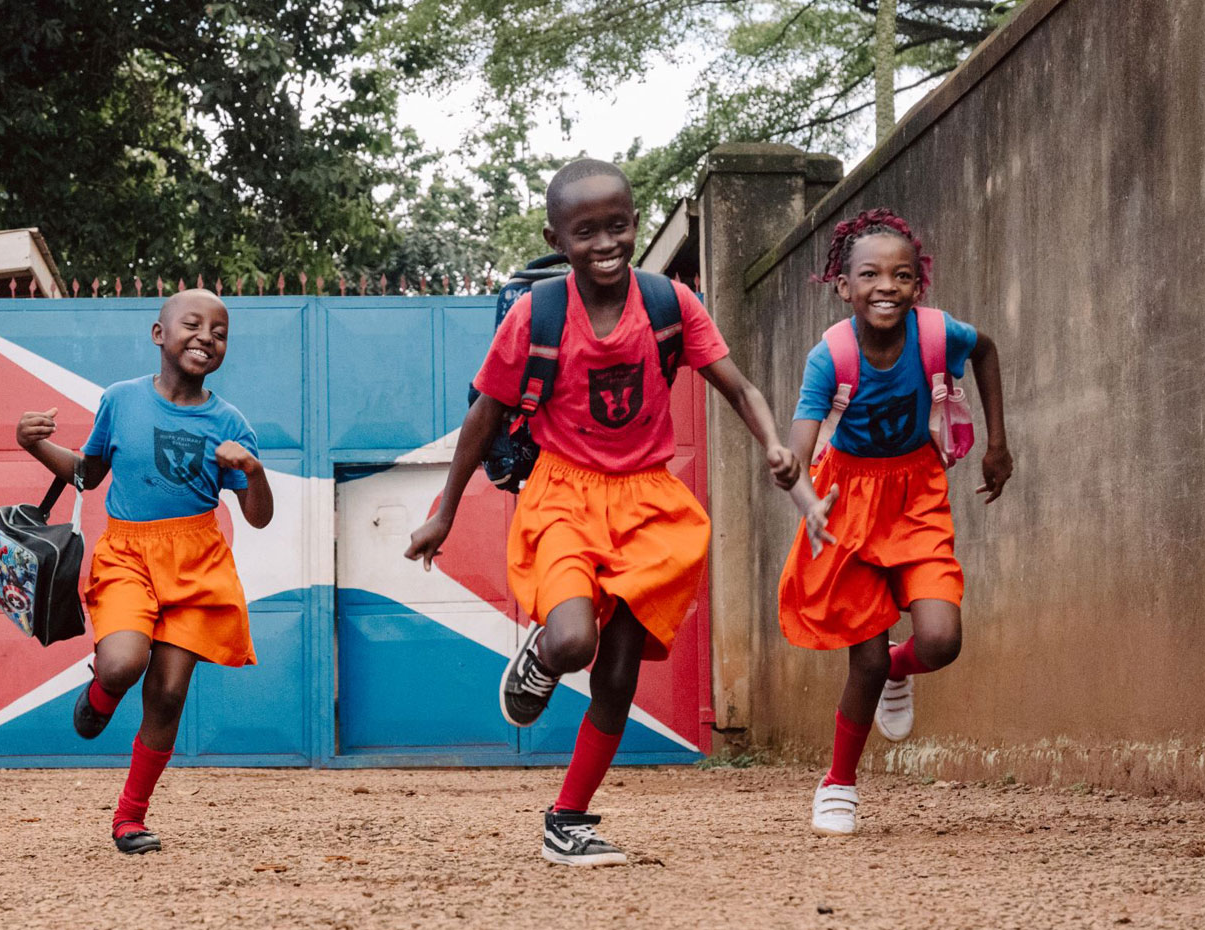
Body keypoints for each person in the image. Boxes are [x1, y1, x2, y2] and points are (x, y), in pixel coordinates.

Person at [406, 158, 797, 866]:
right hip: (563, 495)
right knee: (574, 642)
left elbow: (737, 387)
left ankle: (569, 819)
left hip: (648, 502)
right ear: (558, 239)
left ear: (636, 223)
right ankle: (545, 654)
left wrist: (772, 442)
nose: (606, 242)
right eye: (586, 232)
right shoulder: (538, 315)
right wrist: (445, 511)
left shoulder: (672, 304)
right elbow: (484, 417)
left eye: (618, 225)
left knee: (618, 676)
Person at [777, 208, 1012, 837]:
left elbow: (985, 351)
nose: (887, 285)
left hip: (915, 493)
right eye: (871, 274)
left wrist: (997, 443)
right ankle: (839, 782)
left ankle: (898, 675)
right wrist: (795, 475)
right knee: (867, 660)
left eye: (902, 275)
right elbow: (803, 433)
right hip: (846, 503)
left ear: (917, 285)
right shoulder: (830, 356)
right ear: (844, 286)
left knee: (940, 640)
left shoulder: (938, 335)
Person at [14, 288, 274, 854]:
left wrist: (252, 470)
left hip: (198, 562)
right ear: (159, 335)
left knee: (169, 692)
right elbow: (88, 472)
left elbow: (257, 518)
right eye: (192, 324)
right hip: (130, 554)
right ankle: (102, 693)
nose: (207, 336)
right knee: (124, 662)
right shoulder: (121, 400)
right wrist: (34, 445)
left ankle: (129, 817)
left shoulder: (230, 422)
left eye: (220, 331)